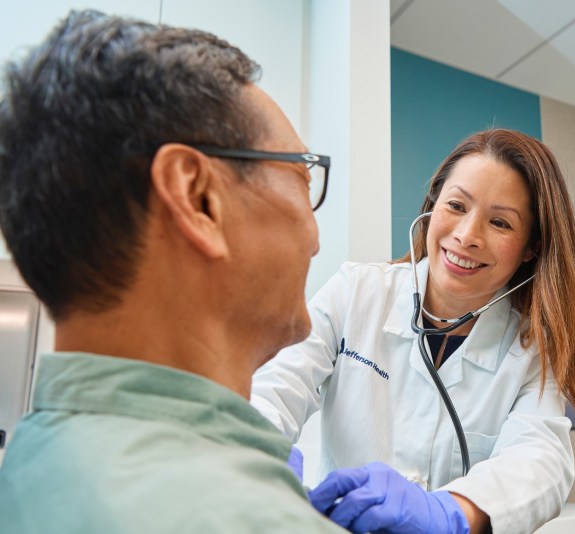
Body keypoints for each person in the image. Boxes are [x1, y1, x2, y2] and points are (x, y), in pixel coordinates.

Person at [0, 10, 344, 534]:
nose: (316, 240)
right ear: (197, 197)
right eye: (302, 176)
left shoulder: (31, 461)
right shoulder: (249, 521)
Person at [251, 128, 575, 533]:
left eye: (500, 222)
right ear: (433, 205)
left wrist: (449, 513)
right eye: (456, 205)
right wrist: (256, 451)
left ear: (531, 249)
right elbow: (272, 387)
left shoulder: (531, 350)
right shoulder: (356, 293)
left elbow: (540, 460)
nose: (467, 236)